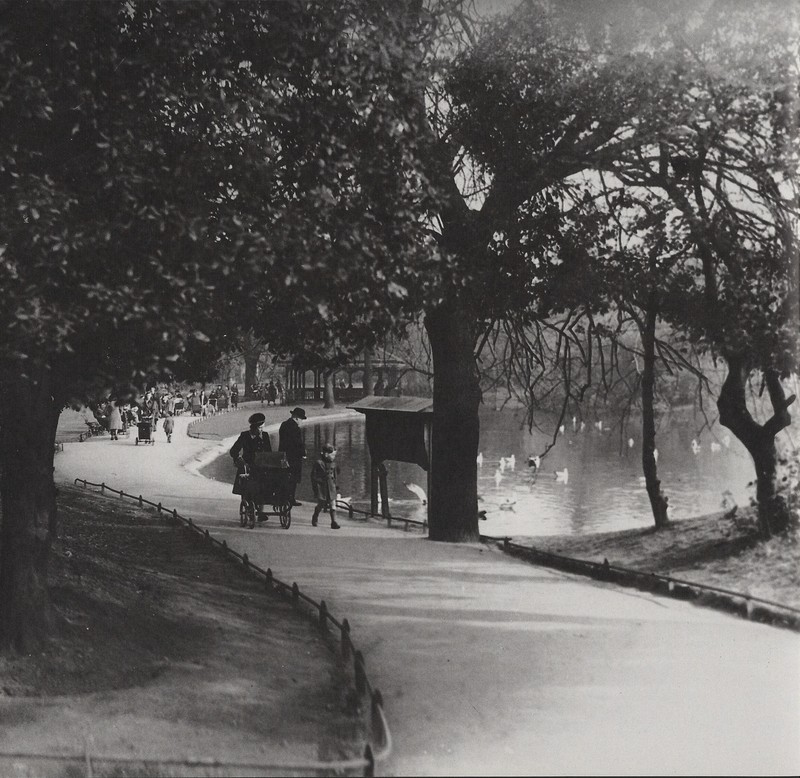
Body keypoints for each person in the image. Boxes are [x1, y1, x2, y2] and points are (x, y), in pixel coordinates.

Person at [230, 413, 272, 515]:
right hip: (247, 466)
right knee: (246, 487)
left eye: (263, 427)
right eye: (260, 428)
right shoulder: (245, 436)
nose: (262, 430)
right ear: (254, 427)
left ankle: (261, 512)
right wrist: (238, 459)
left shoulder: (265, 436)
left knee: (263, 485)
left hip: (261, 466)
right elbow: (233, 451)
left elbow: (269, 452)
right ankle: (248, 505)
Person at [278, 407, 306, 507]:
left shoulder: (284, 425)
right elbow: (298, 443)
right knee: (293, 479)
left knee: (285, 477)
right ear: (297, 418)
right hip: (294, 457)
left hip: (283, 456)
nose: (302, 421)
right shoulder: (295, 428)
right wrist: (303, 453)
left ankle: (284, 497)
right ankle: (291, 498)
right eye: (302, 419)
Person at [310, 443, 340, 529]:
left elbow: (335, 476)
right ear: (326, 454)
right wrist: (316, 486)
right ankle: (315, 515)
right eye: (332, 455)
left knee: (332, 504)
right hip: (322, 487)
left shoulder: (333, 464)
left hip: (331, 486)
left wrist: (336, 485)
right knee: (321, 504)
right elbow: (313, 476)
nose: (334, 457)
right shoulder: (319, 463)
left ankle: (333, 522)